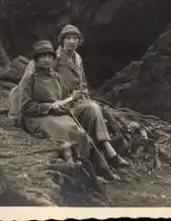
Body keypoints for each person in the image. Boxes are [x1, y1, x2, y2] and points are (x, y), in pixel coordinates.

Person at [19, 40, 117, 190]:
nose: (46, 59)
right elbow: (25, 107)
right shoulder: (29, 78)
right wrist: (49, 106)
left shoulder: (56, 77)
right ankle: (86, 176)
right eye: (42, 56)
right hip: (38, 118)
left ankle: (97, 169)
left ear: (53, 59)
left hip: (57, 114)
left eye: (49, 56)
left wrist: (72, 98)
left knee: (81, 133)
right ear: (36, 59)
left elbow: (64, 97)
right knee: (69, 133)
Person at [55, 24, 129, 168]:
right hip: (64, 104)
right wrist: (68, 97)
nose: (72, 41)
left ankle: (103, 153)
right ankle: (109, 151)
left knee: (94, 108)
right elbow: (49, 84)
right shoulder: (55, 59)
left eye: (75, 38)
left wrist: (84, 93)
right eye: (68, 38)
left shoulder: (78, 58)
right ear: (62, 40)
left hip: (79, 102)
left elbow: (83, 82)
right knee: (94, 109)